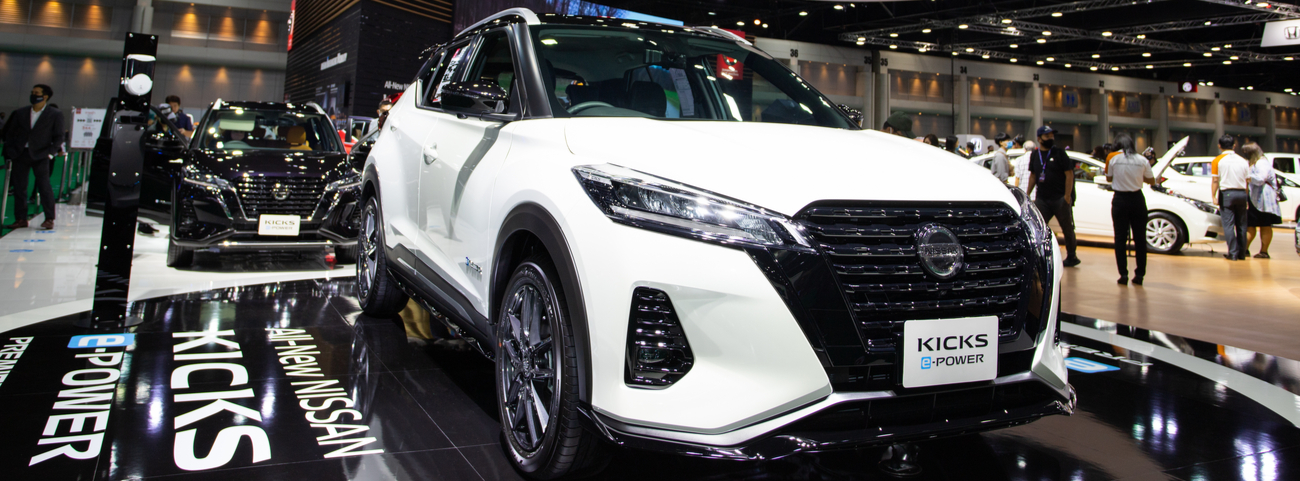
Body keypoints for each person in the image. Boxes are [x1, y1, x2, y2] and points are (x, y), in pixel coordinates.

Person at [2, 84, 64, 230]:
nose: (33, 95)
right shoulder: (20, 112)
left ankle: (49, 218)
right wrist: (11, 150)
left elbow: (59, 136)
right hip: (20, 154)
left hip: (41, 155)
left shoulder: (55, 114)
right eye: (32, 92)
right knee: (19, 188)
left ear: (45, 96)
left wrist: (51, 153)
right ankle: (21, 219)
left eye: (36, 93)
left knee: (44, 186)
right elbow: (10, 133)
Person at [1026, 126, 1081, 267]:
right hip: (1042, 199)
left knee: (1067, 228)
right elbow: (1033, 175)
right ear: (1039, 139)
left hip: (1059, 198)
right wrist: (1027, 194)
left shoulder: (1059, 153)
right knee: (1037, 227)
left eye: (1052, 135)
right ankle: (1037, 255)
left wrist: (1067, 196)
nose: (1051, 138)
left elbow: (1069, 174)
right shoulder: (1035, 155)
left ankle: (1072, 256)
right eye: (1047, 136)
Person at [1105, 134, 1155, 285]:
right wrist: (1138, 177)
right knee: (1140, 239)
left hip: (1120, 199)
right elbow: (1151, 180)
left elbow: (1108, 178)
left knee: (1120, 238)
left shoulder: (1113, 159)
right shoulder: (1142, 160)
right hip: (1137, 199)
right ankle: (1140, 274)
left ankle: (1123, 274)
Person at [1211, 135, 1250, 260]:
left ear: (1219, 146)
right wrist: (1246, 197)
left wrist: (1213, 196)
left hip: (1227, 194)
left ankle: (1232, 253)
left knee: (1228, 225)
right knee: (1242, 225)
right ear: (1234, 146)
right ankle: (1242, 254)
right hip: (1241, 194)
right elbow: (1247, 181)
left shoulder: (1217, 160)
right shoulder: (1243, 161)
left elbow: (1215, 180)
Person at [1241, 143, 1282, 258]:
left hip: (1264, 199)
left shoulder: (1261, 163)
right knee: (1251, 224)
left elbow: (1261, 179)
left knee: (1264, 224)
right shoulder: (1256, 162)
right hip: (1255, 198)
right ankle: (1244, 249)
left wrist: (1248, 177)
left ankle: (1263, 251)